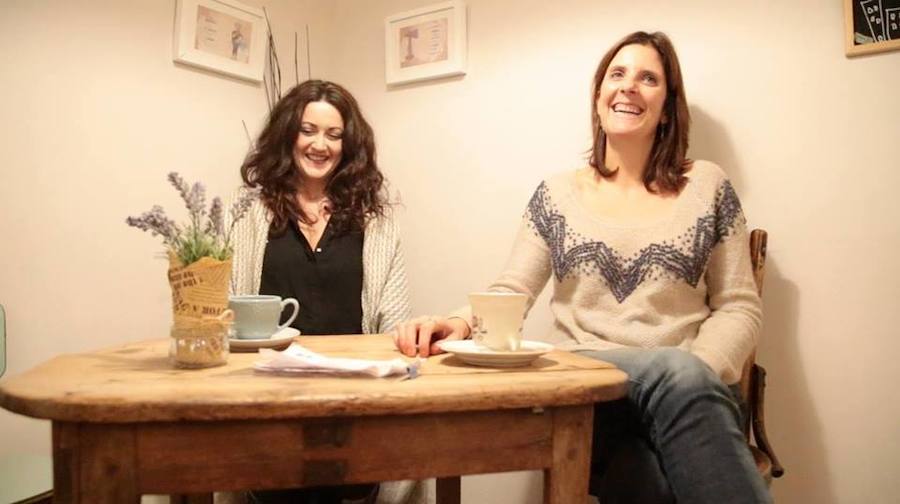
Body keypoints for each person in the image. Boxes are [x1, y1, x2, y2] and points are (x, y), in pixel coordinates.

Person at [393, 31, 772, 503]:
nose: (629, 86)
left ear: (667, 107)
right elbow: (513, 288)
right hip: (588, 389)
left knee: (647, 475)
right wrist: (458, 323)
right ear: (598, 98)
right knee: (667, 391)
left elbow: (739, 307)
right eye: (617, 74)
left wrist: (696, 372)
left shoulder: (707, 185)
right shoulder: (557, 194)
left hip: (689, 396)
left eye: (648, 78)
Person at [230, 80, 419, 504]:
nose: (320, 145)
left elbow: (394, 326)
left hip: (353, 409)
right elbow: (225, 314)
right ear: (287, 135)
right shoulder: (247, 214)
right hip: (267, 409)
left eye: (334, 135)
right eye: (308, 130)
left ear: (348, 145)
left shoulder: (376, 221)